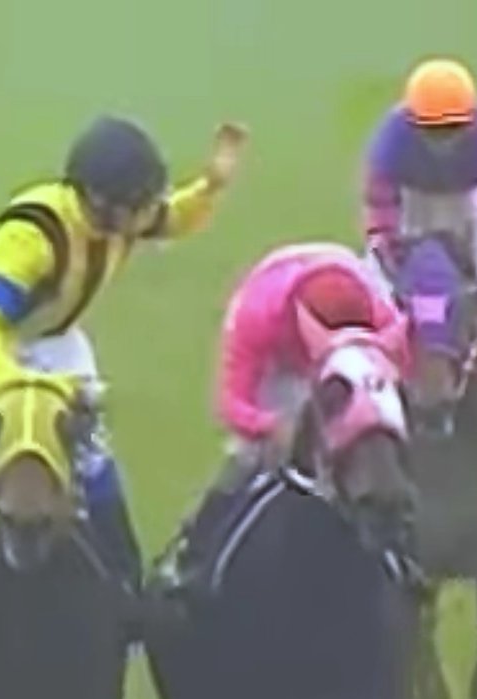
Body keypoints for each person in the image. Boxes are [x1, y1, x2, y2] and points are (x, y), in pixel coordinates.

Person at [0, 115, 249, 629]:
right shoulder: (32, 235)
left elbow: (174, 217)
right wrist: (9, 384)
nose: (147, 216)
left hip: (56, 342)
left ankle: (126, 584)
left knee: (91, 453)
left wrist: (212, 185)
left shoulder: (121, 217)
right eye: (139, 205)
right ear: (101, 202)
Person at [156, 242, 409, 600]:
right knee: (247, 462)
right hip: (281, 366)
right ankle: (193, 560)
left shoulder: (380, 314)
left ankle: (408, 559)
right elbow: (231, 404)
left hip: (348, 360)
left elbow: (401, 374)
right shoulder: (258, 314)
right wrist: (272, 427)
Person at [360, 56, 477, 448]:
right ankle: (361, 406)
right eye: (432, 130)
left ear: (471, 122)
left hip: (468, 210)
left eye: (452, 129)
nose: (442, 140)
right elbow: (380, 211)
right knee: (369, 304)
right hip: (409, 211)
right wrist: (391, 267)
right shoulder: (389, 143)